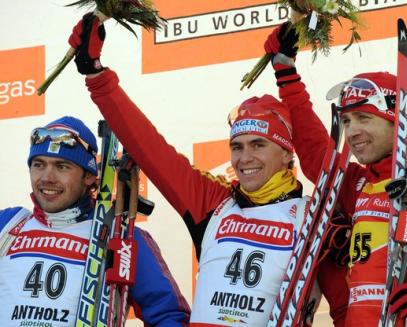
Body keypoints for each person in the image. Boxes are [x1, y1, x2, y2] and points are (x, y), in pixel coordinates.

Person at [67, 13, 351, 326]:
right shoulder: (213, 202)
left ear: (286, 154)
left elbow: (345, 310)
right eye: (237, 147)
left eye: (259, 145)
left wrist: (287, 75)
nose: (244, 159)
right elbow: (149, 147)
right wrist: (96, 75)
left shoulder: (315, 219)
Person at [263, 22, 407, 326]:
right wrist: (286, 74)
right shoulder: (360, 184)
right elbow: (317, 156)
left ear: (398, 121)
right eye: (348, 121)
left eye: (364, 118)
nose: (352, 132)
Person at [0, 116, 191, 326]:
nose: (47, 177)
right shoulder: (9, 224)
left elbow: (169, 316)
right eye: (39, 165)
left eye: (62, 167)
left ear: (89, 176)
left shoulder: (119, 236)